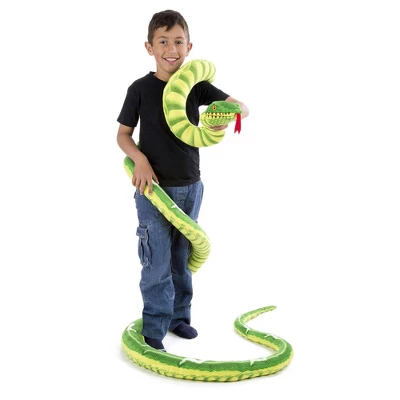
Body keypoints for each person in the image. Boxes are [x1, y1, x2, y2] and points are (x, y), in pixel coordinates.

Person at [116, 9, 249, 352]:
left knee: (181, 256)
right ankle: (155, 327)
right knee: (156, 260)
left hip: (191, 186)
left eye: (178, 41)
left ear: (189, 47)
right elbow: (123, 135)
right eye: (163, 41)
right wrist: (140, 160)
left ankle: (178, 318)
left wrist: (221, 117)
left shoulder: (196, 86)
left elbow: (241, 108)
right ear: (149, 47)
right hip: (152, 190)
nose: (171, 48)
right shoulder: (140, 89)